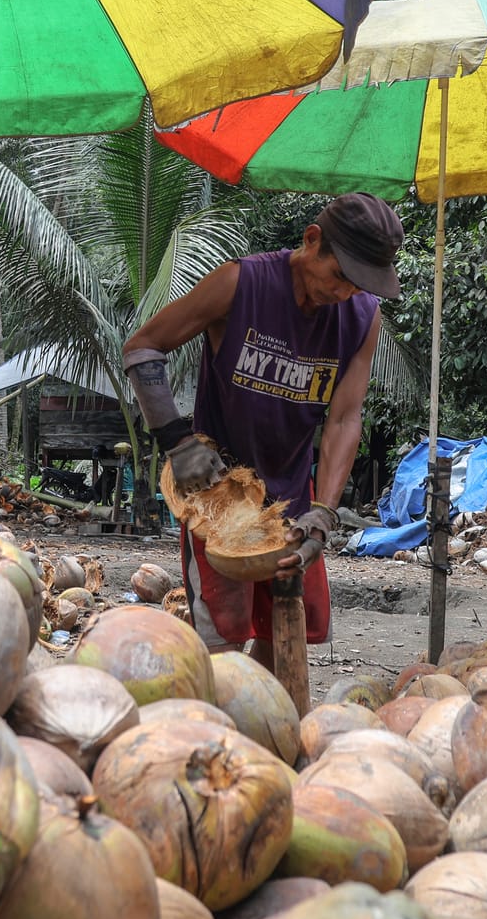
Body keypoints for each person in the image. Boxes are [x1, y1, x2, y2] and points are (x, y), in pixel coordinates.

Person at [121, 194, 400, 667]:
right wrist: (176, 441)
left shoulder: (362, 316)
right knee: (221, 637)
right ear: (312, 241)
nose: (345, 293)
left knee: (287, 631)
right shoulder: (240, 282)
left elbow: (345, 418)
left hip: (292, 494)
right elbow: (142, 348)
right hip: (217, 492)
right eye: (339, 277)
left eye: (359, 286)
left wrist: (324, 514)